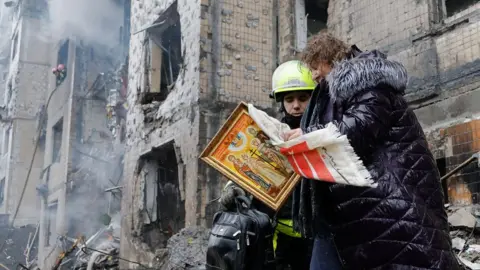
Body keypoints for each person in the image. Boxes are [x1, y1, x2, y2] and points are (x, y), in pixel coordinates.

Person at [283, 31, 461, 269]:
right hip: (354, 205)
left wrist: (308, 135)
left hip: (389, 195)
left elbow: (361, 126)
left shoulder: (368, 82)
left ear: (330, 59)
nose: (314, 74)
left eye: (316, 66)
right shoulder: (337, 93)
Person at [219, 60, 325, 270]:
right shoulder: (269, 135)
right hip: (278, 239)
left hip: (320, 238)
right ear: (281, 102)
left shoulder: (325, 133)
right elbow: (249, 167)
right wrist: (233, 188)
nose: (296, 105)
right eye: (289, 99)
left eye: (303, 98)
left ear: (314, 98)